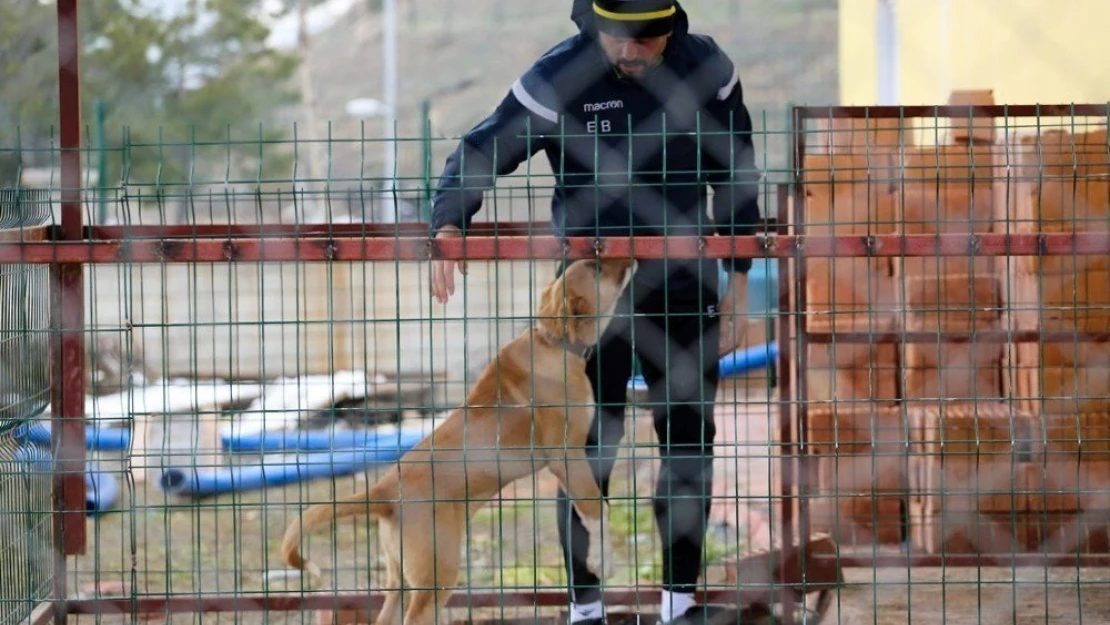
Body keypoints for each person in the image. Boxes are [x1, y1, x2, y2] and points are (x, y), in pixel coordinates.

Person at [428, 1, 762, 623]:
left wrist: (737, 277)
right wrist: (449, 221)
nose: (630, 52)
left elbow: (736, 169)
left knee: (688, 443)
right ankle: (586, 609)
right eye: (617, 40)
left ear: (671, 31)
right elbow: (482, 150)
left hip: (684, 282)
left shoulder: (708, 67)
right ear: (594, 27)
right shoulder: (558, 77)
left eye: (646, 42)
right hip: (590, 294)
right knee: (586, 451)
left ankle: (678, 603)